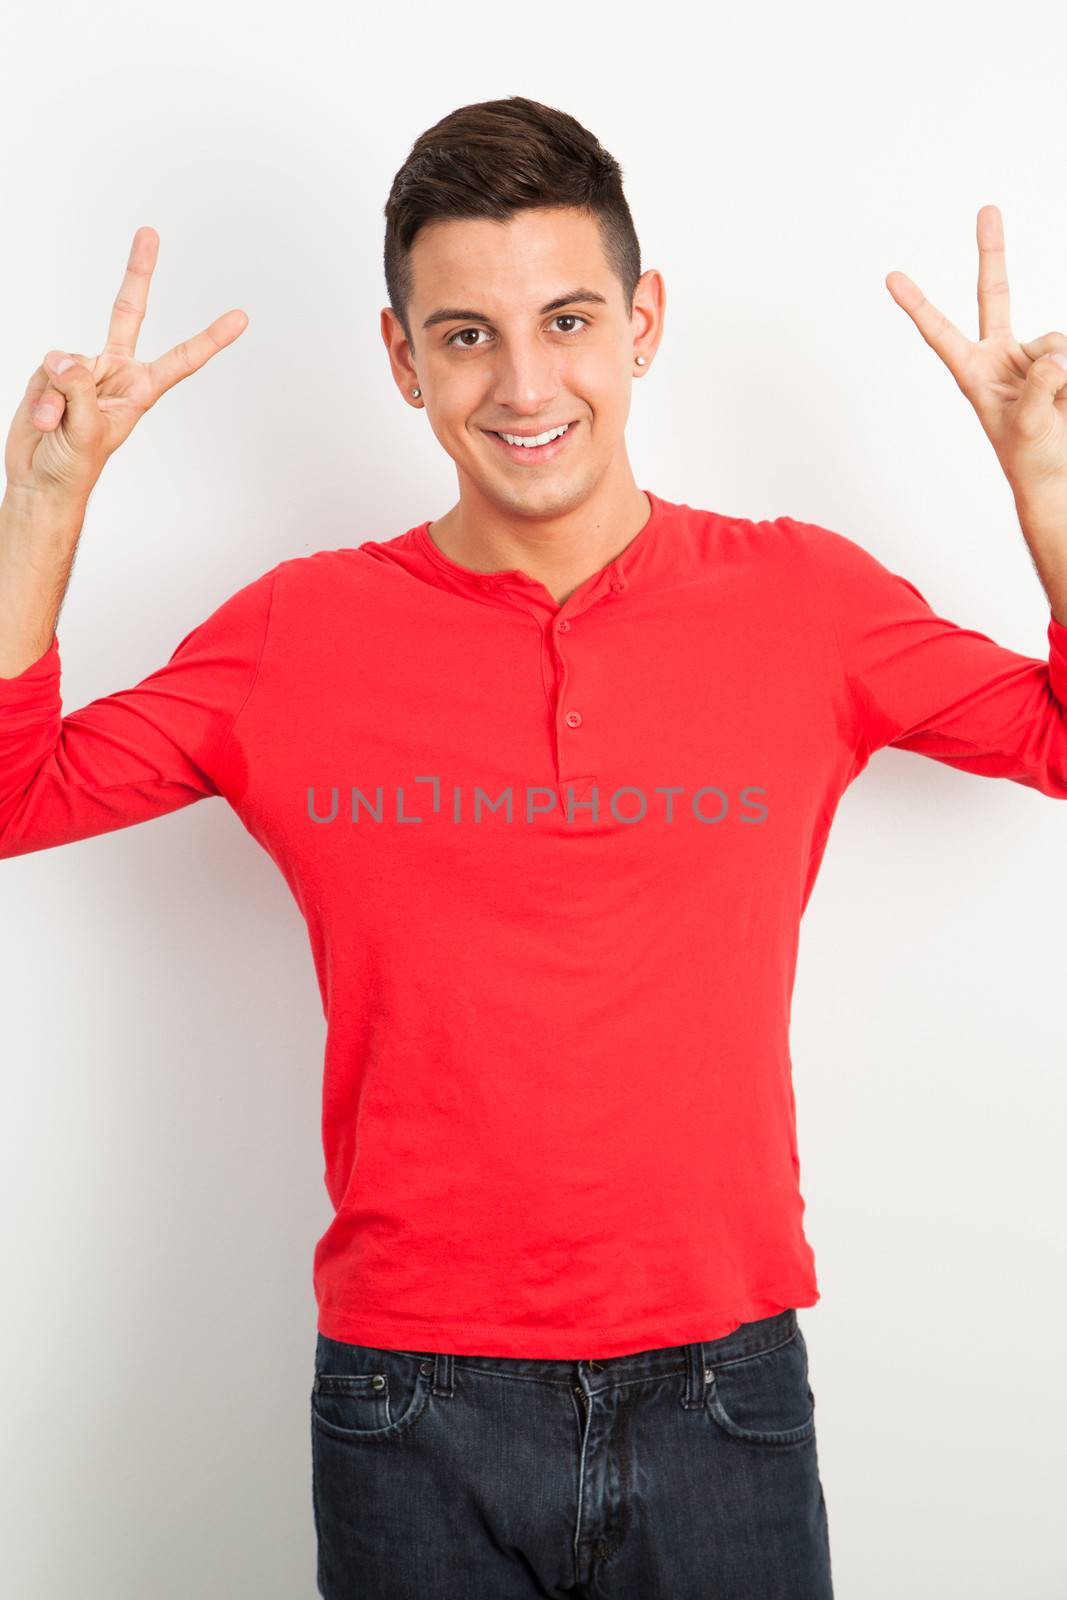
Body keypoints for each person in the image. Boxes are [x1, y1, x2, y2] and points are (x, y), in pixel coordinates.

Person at [4, 97, 1067, 1600]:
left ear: (642, 322)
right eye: (463, 336)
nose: (523, 383)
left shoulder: (805, 604)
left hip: (723, 1383)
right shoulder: (299, 635)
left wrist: (1051, 496)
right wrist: (41, 513)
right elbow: (15, 799)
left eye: (566, 319)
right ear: (402, 361)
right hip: (407, 1401)